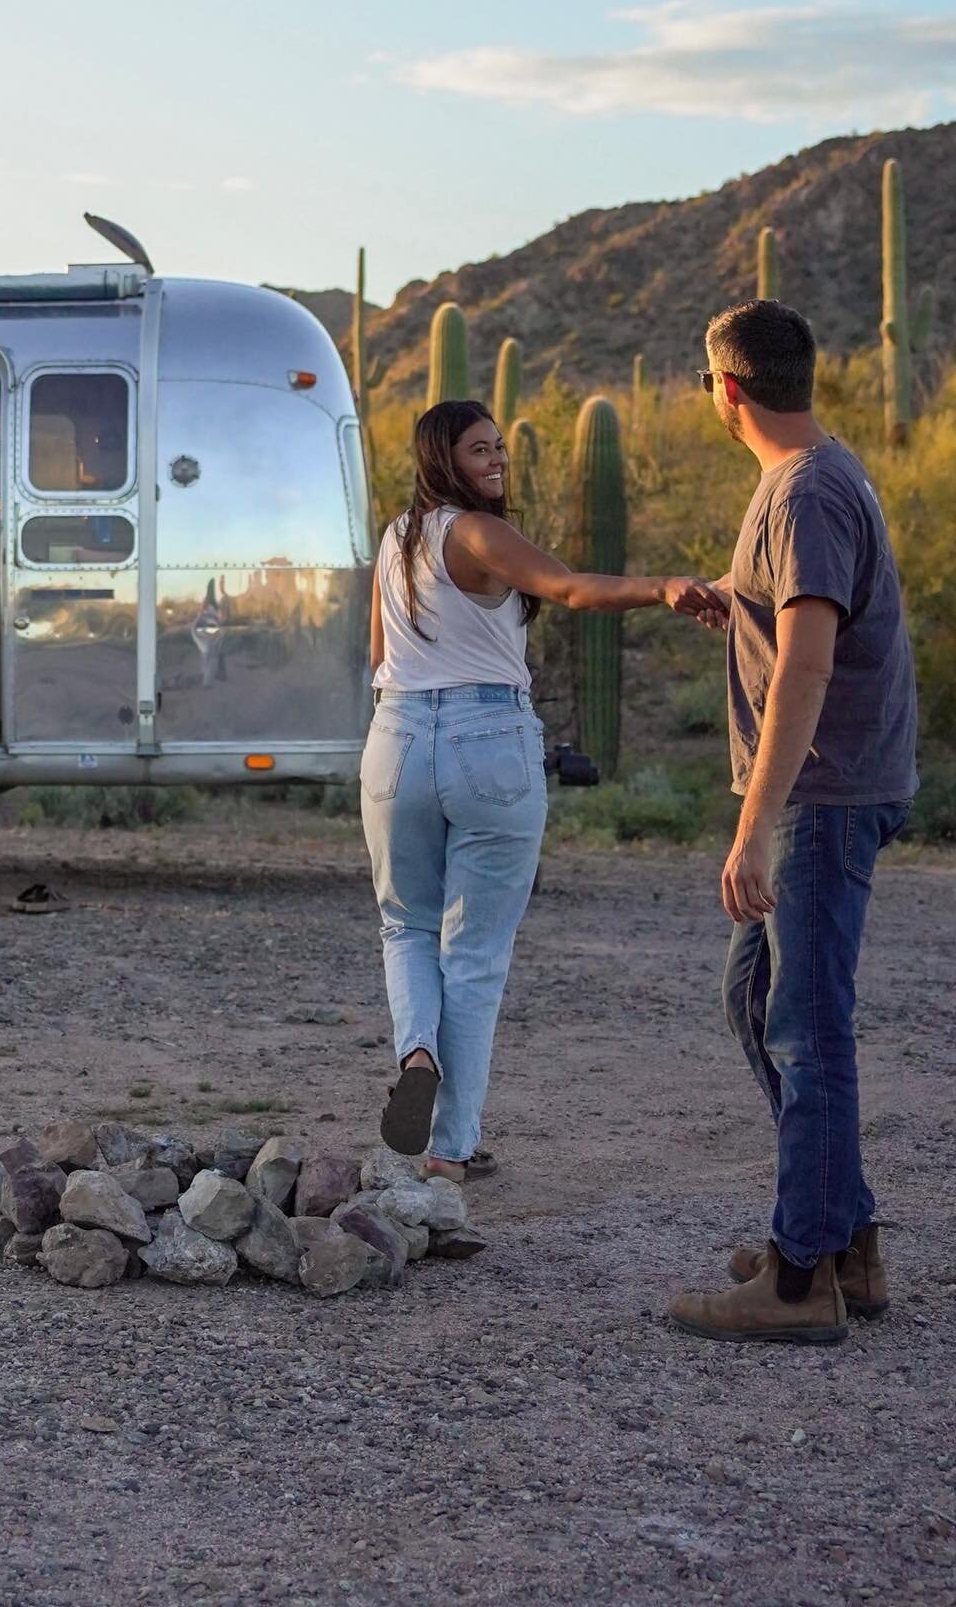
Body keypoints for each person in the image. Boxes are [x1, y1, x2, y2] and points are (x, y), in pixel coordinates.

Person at [364, 399, 725, 1181]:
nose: (495, 460)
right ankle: (450, 1150)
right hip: (486, 738)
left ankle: (416, 1050)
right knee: (476, 954)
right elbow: (569, 588)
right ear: (443, 460)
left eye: (498, 447)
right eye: (477, 449)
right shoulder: (478, 532)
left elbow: (377, 654)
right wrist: (662, 585)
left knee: (406, 928)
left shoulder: (395, 540)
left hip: (394, 741)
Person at [669, 300, 918, 1345]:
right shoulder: (822, 471)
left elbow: (809, 663)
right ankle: (842, 1239)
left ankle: (799, 1277)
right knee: (758, 999)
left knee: (806, 1025)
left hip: (821, 795)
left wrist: (753, 827)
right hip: (834, 787)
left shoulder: (805, 491)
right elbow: (804, 612)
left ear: (728, 389)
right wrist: (737, 593)